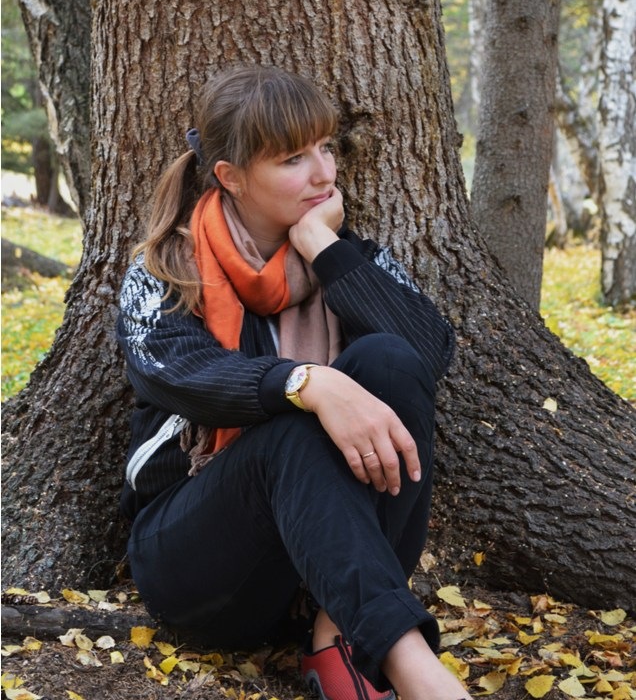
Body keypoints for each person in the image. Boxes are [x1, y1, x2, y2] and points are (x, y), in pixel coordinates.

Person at [117, 65, 470, 700]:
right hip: (201, 563)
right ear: (231, 177)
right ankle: (418, 674)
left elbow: (426, 356)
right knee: (292, 431)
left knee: (388, 359)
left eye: (325, 148)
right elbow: (184, 375)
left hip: (322, 568)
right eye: (292, 159)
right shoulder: (165, 271)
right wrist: (309, 383)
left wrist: (320, 247)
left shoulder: (347, 259)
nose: (324, 174)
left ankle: (337, 635)